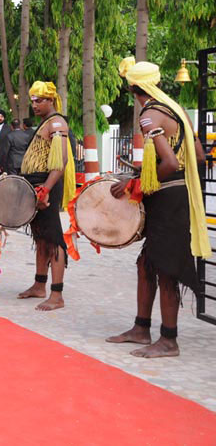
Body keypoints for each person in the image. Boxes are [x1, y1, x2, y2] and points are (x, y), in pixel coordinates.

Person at [106, 58, 210, 358]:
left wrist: (135, 182)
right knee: (147, 264)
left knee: (165, 269)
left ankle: (168, 340)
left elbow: (171, 162)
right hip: (177, 195)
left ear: (133, 89)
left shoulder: (149, 114)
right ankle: (141, 328)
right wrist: (146, 170)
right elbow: (199, 157)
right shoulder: (177, 110)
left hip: (167, 199)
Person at [17, 82, 76, 311]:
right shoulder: (46, 122)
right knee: (40, 236)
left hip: (46, 186)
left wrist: (45, 190)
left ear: (51, 100)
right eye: (32, 100)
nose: (34, 105)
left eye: (39, 100)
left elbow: (60, 162)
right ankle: (39, 285)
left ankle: (57, 294)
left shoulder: (57, 123)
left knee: (53, 238)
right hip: (37, 185)